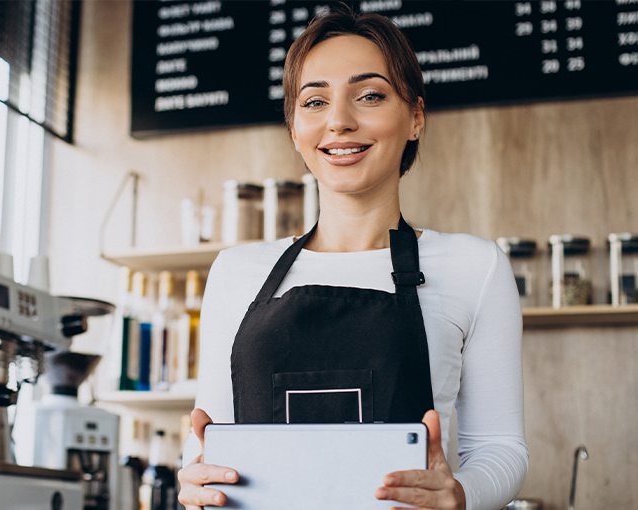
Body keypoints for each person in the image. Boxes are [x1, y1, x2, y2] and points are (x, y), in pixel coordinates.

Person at [177, 7, 527, 510]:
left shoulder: (476, 267)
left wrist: (459, 494)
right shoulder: (236, 272)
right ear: (295, 128)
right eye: (314, 101)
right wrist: (193, 478)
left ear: (415, 117)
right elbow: (206, 443)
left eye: (370, 95)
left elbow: (499, 449)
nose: (339, 121)